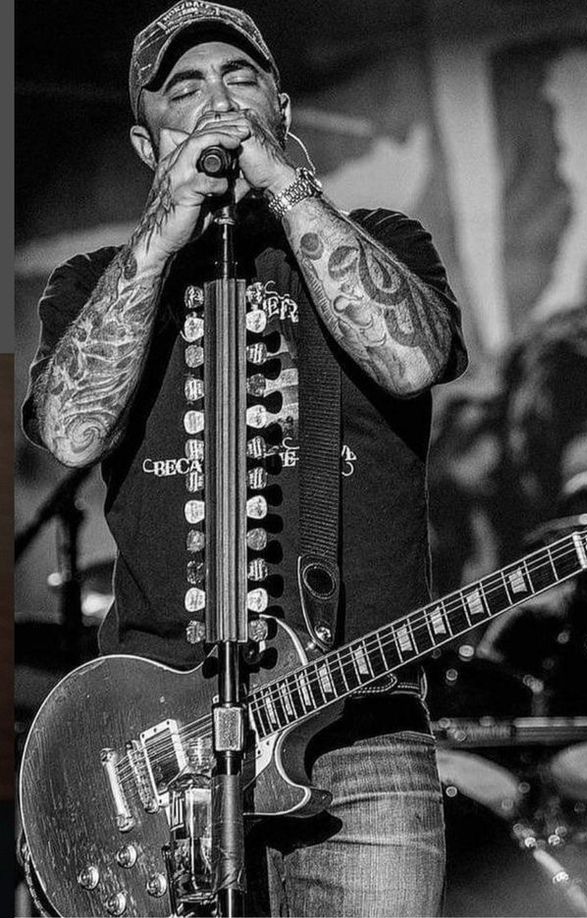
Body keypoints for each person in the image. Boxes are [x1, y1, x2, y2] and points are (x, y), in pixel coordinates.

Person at [22, 2, 468, 916]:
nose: (218, 102)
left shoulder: (382, 238)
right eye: (184, 90)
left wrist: (288, 188)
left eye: (241, 79)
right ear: (150, 146)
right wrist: (166, 228)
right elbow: (70, 432)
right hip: (156, 748)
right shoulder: (96, 280)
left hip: (361, 733)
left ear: (282, 108)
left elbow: (413, 359)